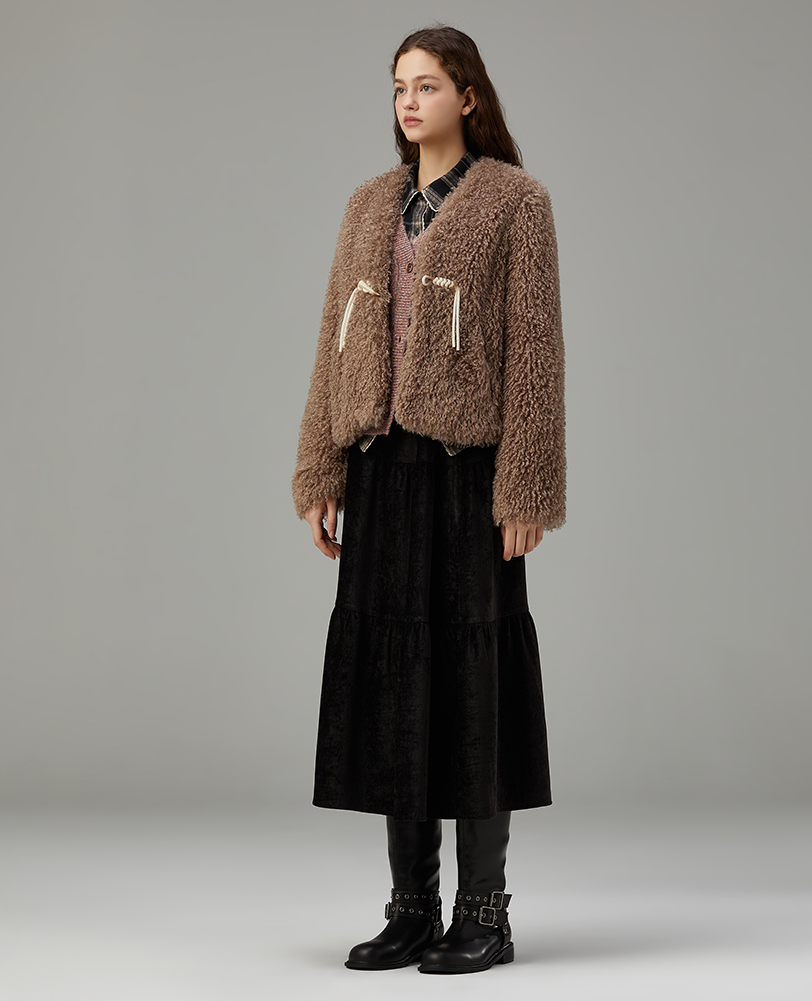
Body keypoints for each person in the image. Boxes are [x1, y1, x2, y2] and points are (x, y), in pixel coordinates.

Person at [291, 23, 566, 975]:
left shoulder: (515, 202)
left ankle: (483, 910)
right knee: (394, 680)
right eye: (399, 87)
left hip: (467, 470)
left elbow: (536, 352)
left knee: (472, 682)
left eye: (428, 86)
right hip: (380, 467)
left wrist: (526, 481)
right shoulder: (369, 203)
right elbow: (333, 341)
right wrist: (321, 469)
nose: (409, 103)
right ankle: (411, 904)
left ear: (468, 97)